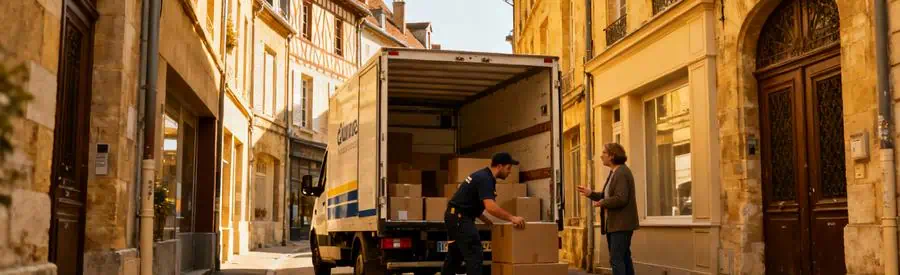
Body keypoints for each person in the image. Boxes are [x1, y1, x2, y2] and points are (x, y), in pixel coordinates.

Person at [441, 152, 526, 275]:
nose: (509, 172)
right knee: (475, 254)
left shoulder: (483, 176)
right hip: (459, 218)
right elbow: (490, 206)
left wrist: (485, 220)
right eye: (508, 168)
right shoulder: (485, 179)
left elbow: (469, 202)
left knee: (455, 256)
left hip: (454, 216)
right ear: (500, 166)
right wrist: (512, 218)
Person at [577, 143, 638, 275]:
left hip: (621, 224)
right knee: (624, 258)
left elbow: (621, 198)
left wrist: (603, 202)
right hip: (615, 224)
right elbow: (607, 195)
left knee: (616, 259)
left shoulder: (621, 172)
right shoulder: (614, 172)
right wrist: (591, 193)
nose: (601, 156)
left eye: (604, 153)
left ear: (612, 156)